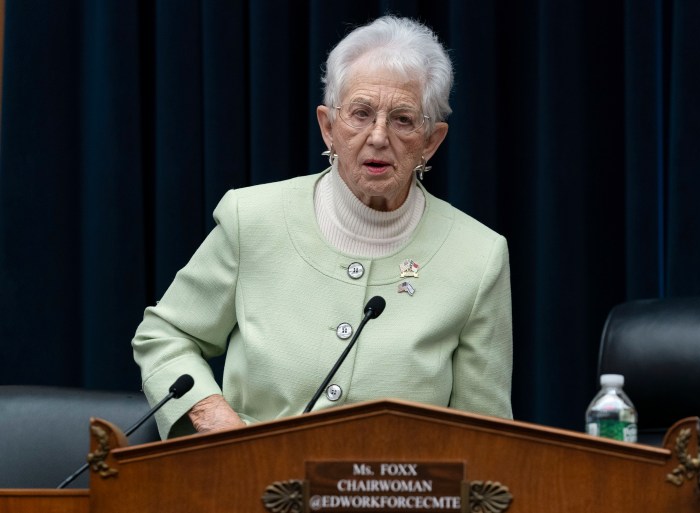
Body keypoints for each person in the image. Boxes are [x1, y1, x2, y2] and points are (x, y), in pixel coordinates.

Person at [132, 15, 513, 439]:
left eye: (403, 119)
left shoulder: (478, 257)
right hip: (250, 485)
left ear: (432, 141)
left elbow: (486, 436)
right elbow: (165, 335)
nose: (378, 136)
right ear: (328, 127)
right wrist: (217, 422)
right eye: (360, 114)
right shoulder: (252, 218)